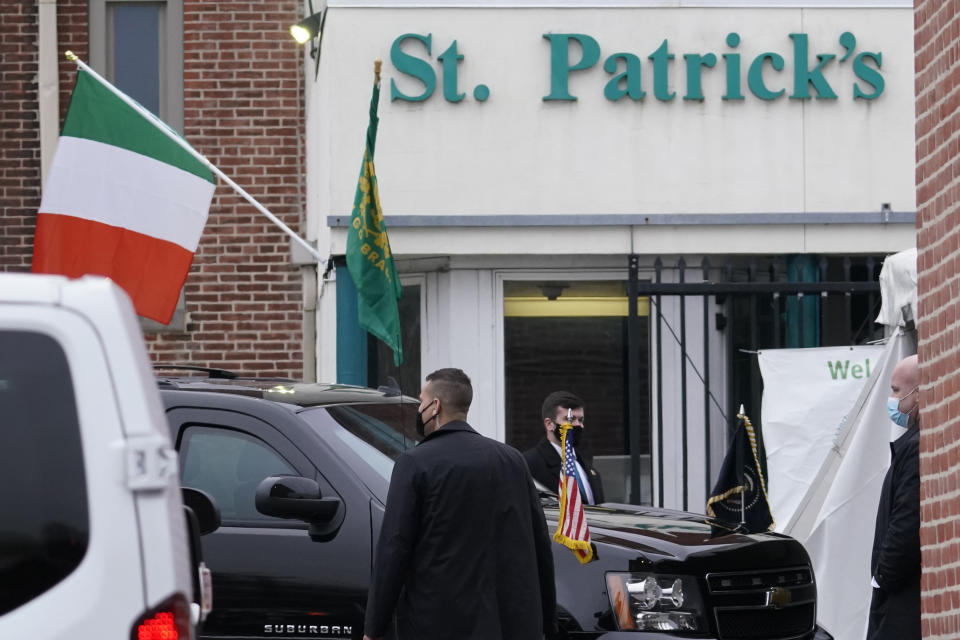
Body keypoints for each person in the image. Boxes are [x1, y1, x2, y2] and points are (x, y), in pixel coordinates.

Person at [363, 368, 557, 640]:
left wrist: (374, 628)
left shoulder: (415, 463)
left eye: (421, 401)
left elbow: (394, 548)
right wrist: (548, 623)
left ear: (435, 406)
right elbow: (540, 547)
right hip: (509, 624)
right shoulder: (512, 460)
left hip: (437, 623)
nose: (419, 408)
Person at [867, 354, 921, 640]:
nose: (891, 398)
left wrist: (882, 579)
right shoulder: (913, 444)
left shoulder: (915, 448)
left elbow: (907, 521)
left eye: (897, 390)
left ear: (919, 393)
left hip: (903, 602)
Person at [523, 391, 605, 505]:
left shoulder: (585, 464)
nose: (577, 425)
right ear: (549, 424)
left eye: (580, 420)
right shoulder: (529, 464)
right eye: (570, 419)